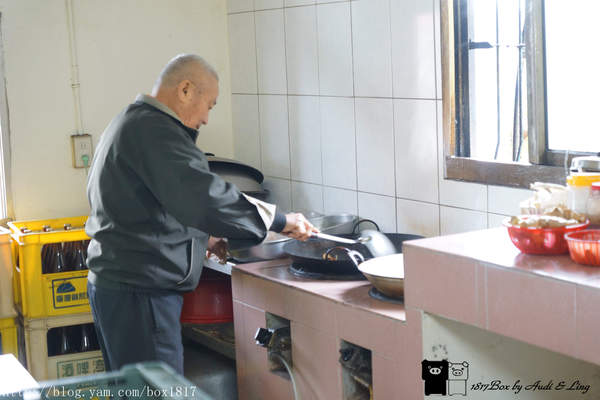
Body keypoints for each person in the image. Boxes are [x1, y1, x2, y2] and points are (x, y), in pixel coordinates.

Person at [85, 54, 317, 375]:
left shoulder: (130, 120)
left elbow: (144, 204)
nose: (207, 118)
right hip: (141, 293)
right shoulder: (156, 131)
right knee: (157, 394)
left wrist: (201, 239)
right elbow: (205, 196)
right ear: (185, 90)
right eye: (209, 104)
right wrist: (280, 220)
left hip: (119, 287)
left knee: (134, 391)